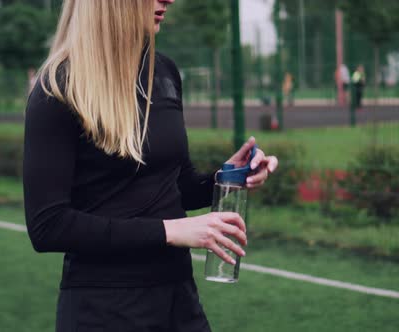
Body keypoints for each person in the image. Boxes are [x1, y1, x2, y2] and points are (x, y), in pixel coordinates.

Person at [22, 1, 279, 331]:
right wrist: (170, 230)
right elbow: (48, 226)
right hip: (104, 309)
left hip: (179, 298)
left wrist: (228, 176)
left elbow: (177, 186)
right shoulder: (56, 88)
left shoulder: (165, 73)